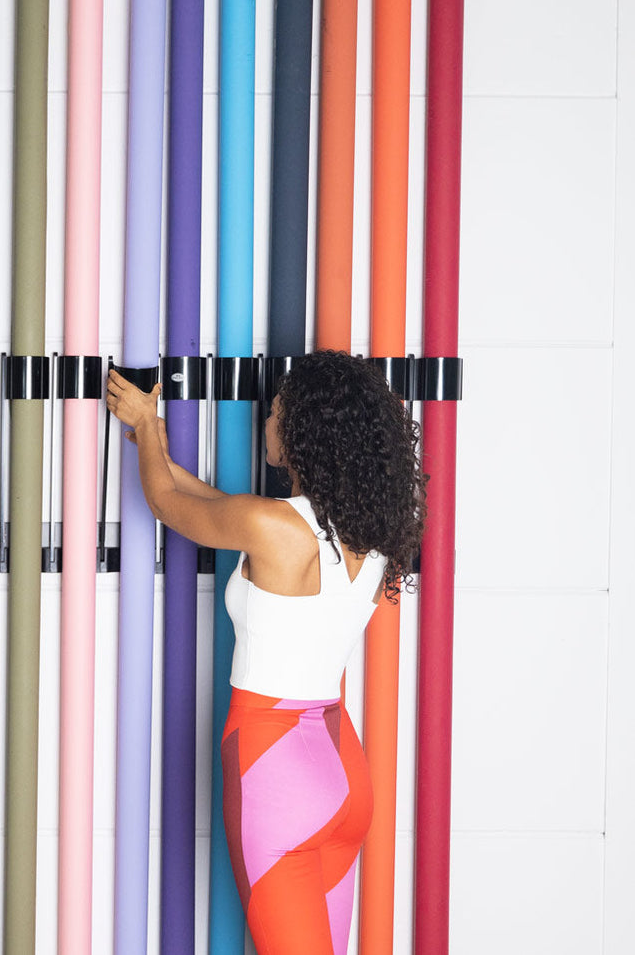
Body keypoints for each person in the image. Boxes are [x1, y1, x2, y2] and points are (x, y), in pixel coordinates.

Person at [106, 349, 426, 955]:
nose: (268, 422)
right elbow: (207, 501)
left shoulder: (270, 524)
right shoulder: (369, 536)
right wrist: (157, 448)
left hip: (275, 774)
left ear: (306, 431)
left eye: (277, 412)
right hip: (341, 768)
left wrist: (145, 425)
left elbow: (165, 504)